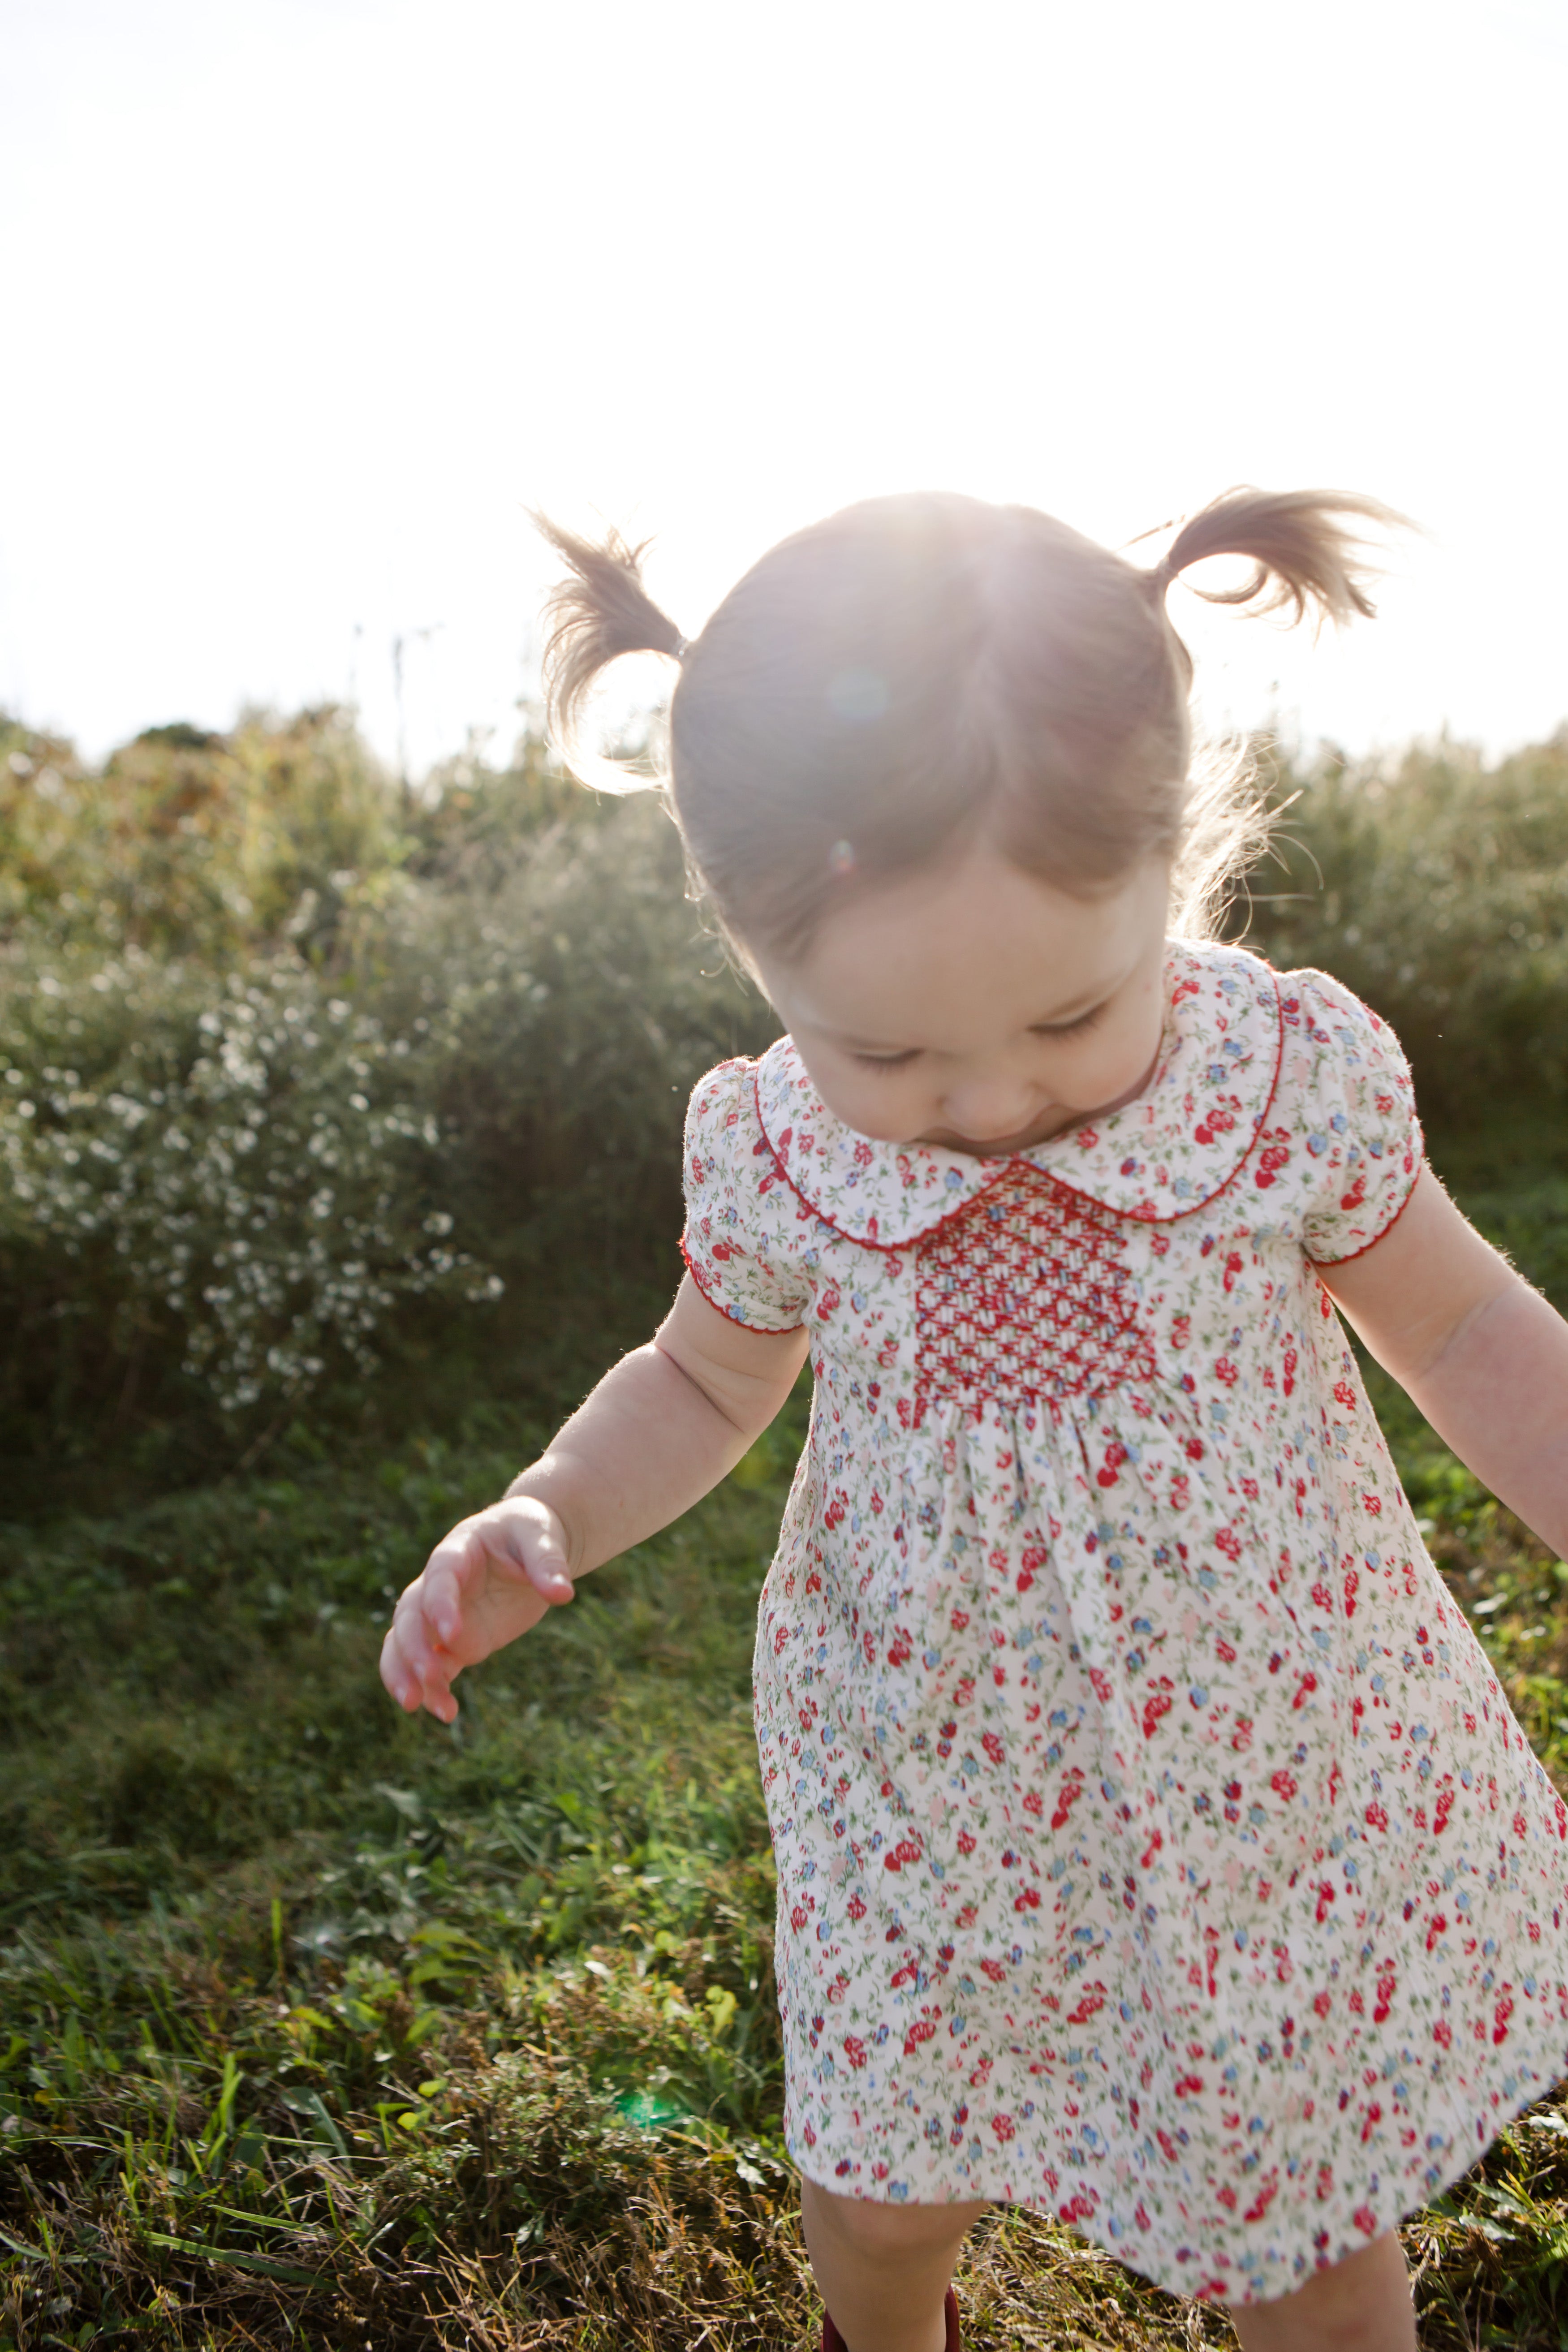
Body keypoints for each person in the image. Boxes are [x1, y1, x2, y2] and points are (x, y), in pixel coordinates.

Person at [381, 488, 1568, 2352]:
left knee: (1293, 2244)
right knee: (874, 2196)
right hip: (925, 1803)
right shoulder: (775, 1152)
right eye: (888, 1052)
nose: (991, 1097)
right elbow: (698, 1378)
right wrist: (544, 1513)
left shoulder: (1273, 1085)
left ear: (1165, 859)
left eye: (1067, 1013)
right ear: (747, 946)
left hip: (1249, 1799)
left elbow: (1471, 1324)